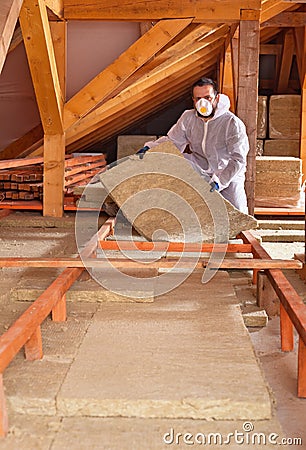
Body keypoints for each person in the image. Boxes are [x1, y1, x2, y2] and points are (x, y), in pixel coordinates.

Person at [137, 77, 250, 214]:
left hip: (226, 174)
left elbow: (238, 159)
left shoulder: (231, 123)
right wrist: (151, 148)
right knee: (170, 161)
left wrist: (219, 181)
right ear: (193, 100)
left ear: (217, 98)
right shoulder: (188, 118)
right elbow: (173, 142)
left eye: (208, 97)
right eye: (198, 99)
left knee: (238, 214)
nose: (203, 102)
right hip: (199, 168)